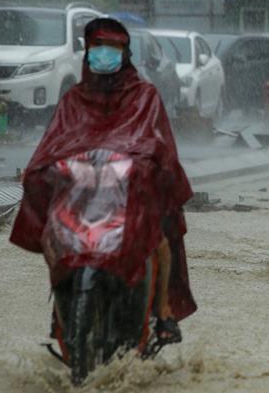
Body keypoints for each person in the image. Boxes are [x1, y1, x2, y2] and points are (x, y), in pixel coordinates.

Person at [10, 17, 196, 345]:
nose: (104, 54)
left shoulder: (145, 96)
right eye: (98, 47)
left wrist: (159, 171)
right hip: (79, 201)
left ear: (124, 53)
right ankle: (61, 312)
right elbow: (54, 143)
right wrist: (40, 170)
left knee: (160, 236)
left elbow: (159, 144)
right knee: (54, 239)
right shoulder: (72, 100)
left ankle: (163, 309)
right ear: (88, 52)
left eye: (112, 48)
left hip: (131, 198)